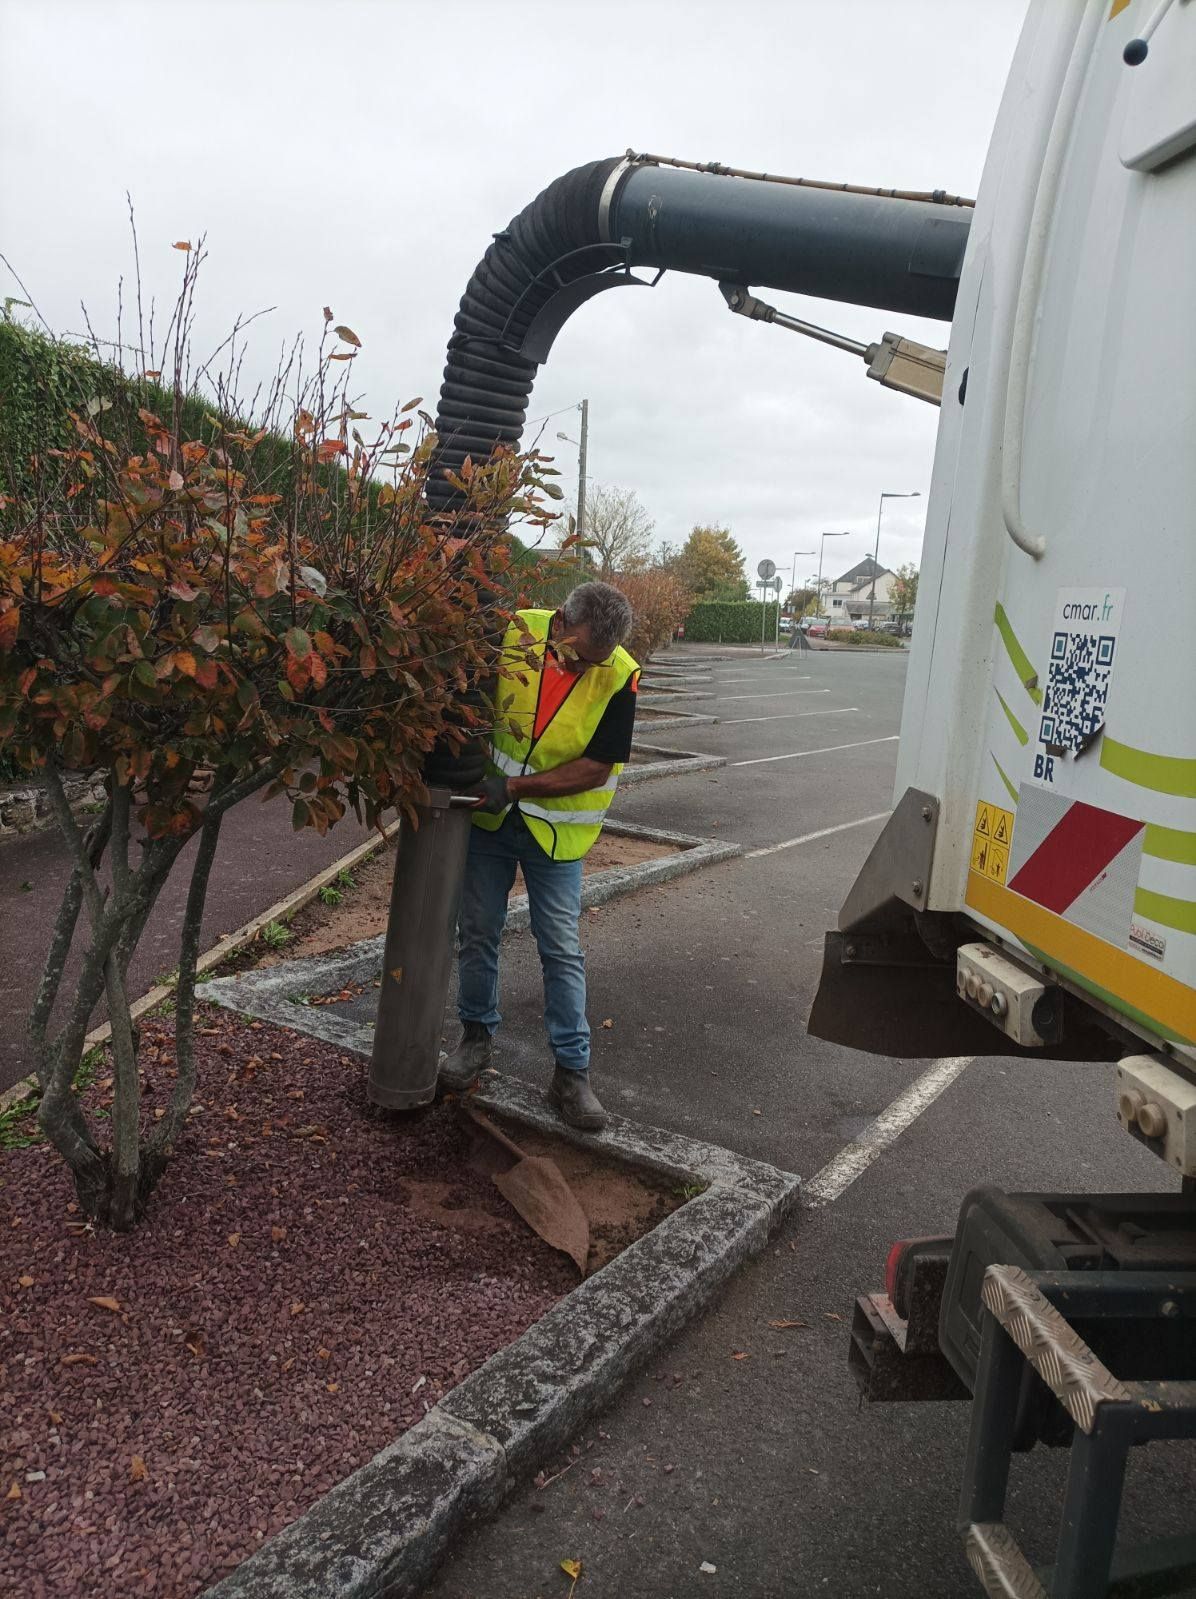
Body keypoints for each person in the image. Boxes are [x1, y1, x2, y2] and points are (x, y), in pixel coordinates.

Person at [438, 581, 638, 1130]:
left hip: (556, 837)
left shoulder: (619, 673)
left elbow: (597, 766)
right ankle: (475, 1040)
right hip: (491, 822)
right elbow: (464, 703)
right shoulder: (512, 631)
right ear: (563, 624)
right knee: (477, 930)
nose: (584, 670)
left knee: (560, 947)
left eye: (595, 662)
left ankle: (572, 1074)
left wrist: (517, 788)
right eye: (579, 657)